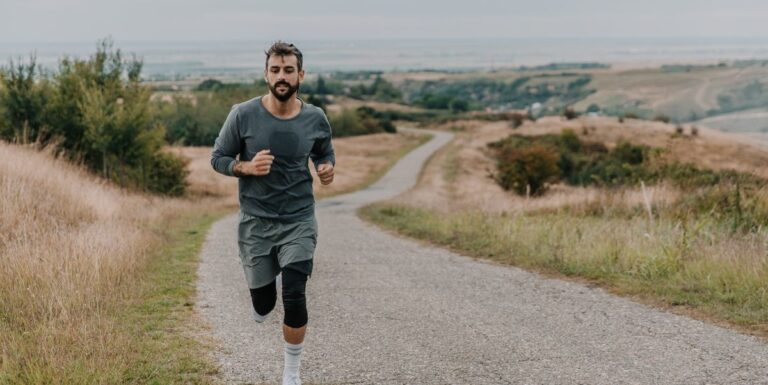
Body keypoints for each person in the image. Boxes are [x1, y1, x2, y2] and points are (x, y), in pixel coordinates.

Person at [211, 41, 335, 385]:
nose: (282, 76)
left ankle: (291, 374)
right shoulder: (243, 114)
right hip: (256, 221)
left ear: (301, 75)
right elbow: (218, 157)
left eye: (289, 70)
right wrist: (246, 168)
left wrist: (326, 169)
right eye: (276, 70)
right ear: (266, 74)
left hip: (298, 220)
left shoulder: (315, 117)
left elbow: (325, 152)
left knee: (295, 293)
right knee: (263, 307)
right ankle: (265, 280)